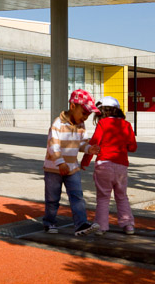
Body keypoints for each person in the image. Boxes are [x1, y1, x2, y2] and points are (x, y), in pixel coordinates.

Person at [43, 89, 101, 236]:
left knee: (77, 196)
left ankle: (81, 224)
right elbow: (53, 145)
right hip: (54, 169)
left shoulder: (81, 125)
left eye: (88, 115)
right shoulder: (58, 124)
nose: (85, 117)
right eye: (84, 113)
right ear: (73, 106)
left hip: (72, 168)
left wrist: (89, 149)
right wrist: (60, 162)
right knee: (52, 198)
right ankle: (49, 222)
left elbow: (81, 143)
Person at [81, 96, 137, 236]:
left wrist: (85, 162)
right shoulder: (126, 125)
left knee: (103, 197)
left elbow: (94, 144)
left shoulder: (103, 123)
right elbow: (133, 147)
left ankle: (101, 227)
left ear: (103, 111)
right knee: (122, 196)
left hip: (103, 165)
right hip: (121, 166)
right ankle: (128, 225)